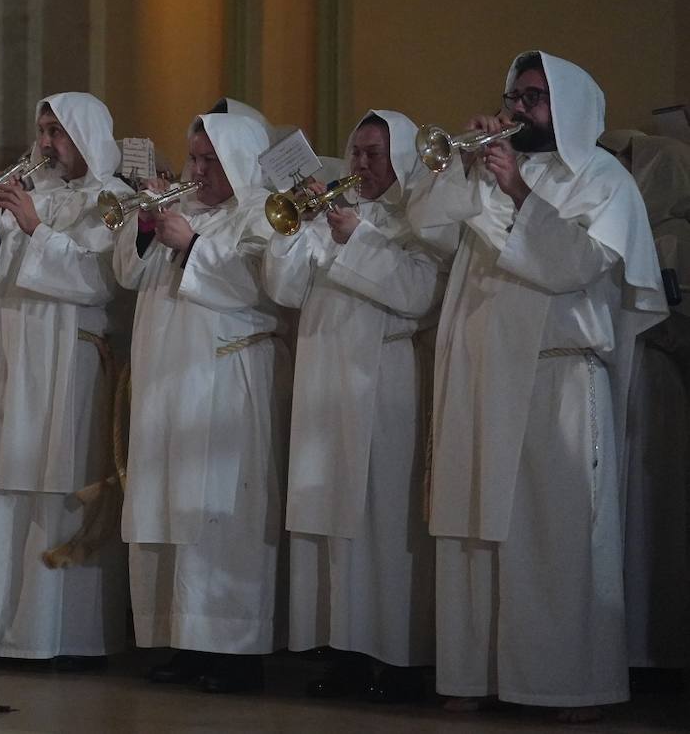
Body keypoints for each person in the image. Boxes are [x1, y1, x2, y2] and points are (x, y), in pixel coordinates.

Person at [408, 52, 667, 720]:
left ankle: (569, 682)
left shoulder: (601, 178)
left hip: (557, 376)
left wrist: (521, 191)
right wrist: (464, 170)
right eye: (513, 97)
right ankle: (476, 670)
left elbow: (573, 265)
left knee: (556, 539)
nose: (517, 109)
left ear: (569, 108)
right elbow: (424, 229)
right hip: (481, 375)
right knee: (475, 527)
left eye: (533, 98)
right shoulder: (494, 170)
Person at [263, 112, 447, 701]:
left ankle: (396, 658)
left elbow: (420, 294)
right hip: (324, 376)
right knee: (326, 518)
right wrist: (296, 229)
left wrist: (355, 237)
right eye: (357, 153)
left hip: (383, 376)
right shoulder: (329, 215)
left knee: (382, 520)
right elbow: (284, 289)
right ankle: (339, 650)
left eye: (375, 155)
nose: (362, 165)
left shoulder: (416, 219)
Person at [0, 93, 130, 667]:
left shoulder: (114, 198)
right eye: (43, 130)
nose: (47, 143)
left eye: (60, 132)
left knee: (56, 487)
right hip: (9, 356)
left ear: (87, 137)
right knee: (0, 487)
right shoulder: (27, 197)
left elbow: (98, 280)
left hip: (67, 361)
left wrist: (34, 230)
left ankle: (59, 636)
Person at [116, 112, 289, 693]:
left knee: (223, 516)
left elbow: (259, 287)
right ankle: (182, 640)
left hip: (226, 380)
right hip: (170, 380)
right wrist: (144, 226)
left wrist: (192, 246)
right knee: (168, 508)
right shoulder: (183, 210)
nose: (197, 170)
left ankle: (235, 651)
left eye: (209, 161)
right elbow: (126, 274)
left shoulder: (259, 213)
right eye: (193, 159)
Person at [598, 129, 689, 687]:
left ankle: (652, 650)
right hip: (607, 371)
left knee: (648, 517)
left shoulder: (674, 237)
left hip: (651, 382)